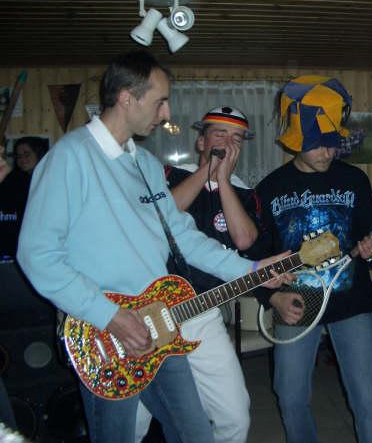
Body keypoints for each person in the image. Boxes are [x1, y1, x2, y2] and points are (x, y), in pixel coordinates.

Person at [16, 50, 289, 443]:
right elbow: (37, 255)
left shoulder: (144, 164)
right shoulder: (69, 157)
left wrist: (253, 270)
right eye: (160, 101)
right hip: (106, 334)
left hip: (161, 322)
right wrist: (110, 315)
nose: (166, 113)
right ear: (127, 97)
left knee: (195, 434)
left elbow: (184, 238)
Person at [253, 75, 372, 443]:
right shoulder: (269, 188)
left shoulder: (355, 180)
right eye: (317, 145)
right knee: (290, 397)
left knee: (368, 399)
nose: (327, 153)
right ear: (296, 141)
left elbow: (371, 238)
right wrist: (272, 297)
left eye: (332, 144)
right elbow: (255, 259)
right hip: (296, 303)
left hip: (352, 302)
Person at [135, 106, 258, 443]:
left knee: (235, 416)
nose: (228, 144)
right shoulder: (169, 174)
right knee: (135, 422)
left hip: (202, 312)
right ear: (201, 141)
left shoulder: (244, 192)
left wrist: (223, 182)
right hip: (148, 311)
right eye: (220, 134)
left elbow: (244, 240)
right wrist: (206, 172)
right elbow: (163, 217)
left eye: (237, 139)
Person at [0, 136, 48, 258]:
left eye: (26, 154)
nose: (22, 159)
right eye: (18, 156)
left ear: (39, 154)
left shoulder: (49, 179)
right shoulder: (11, 180)